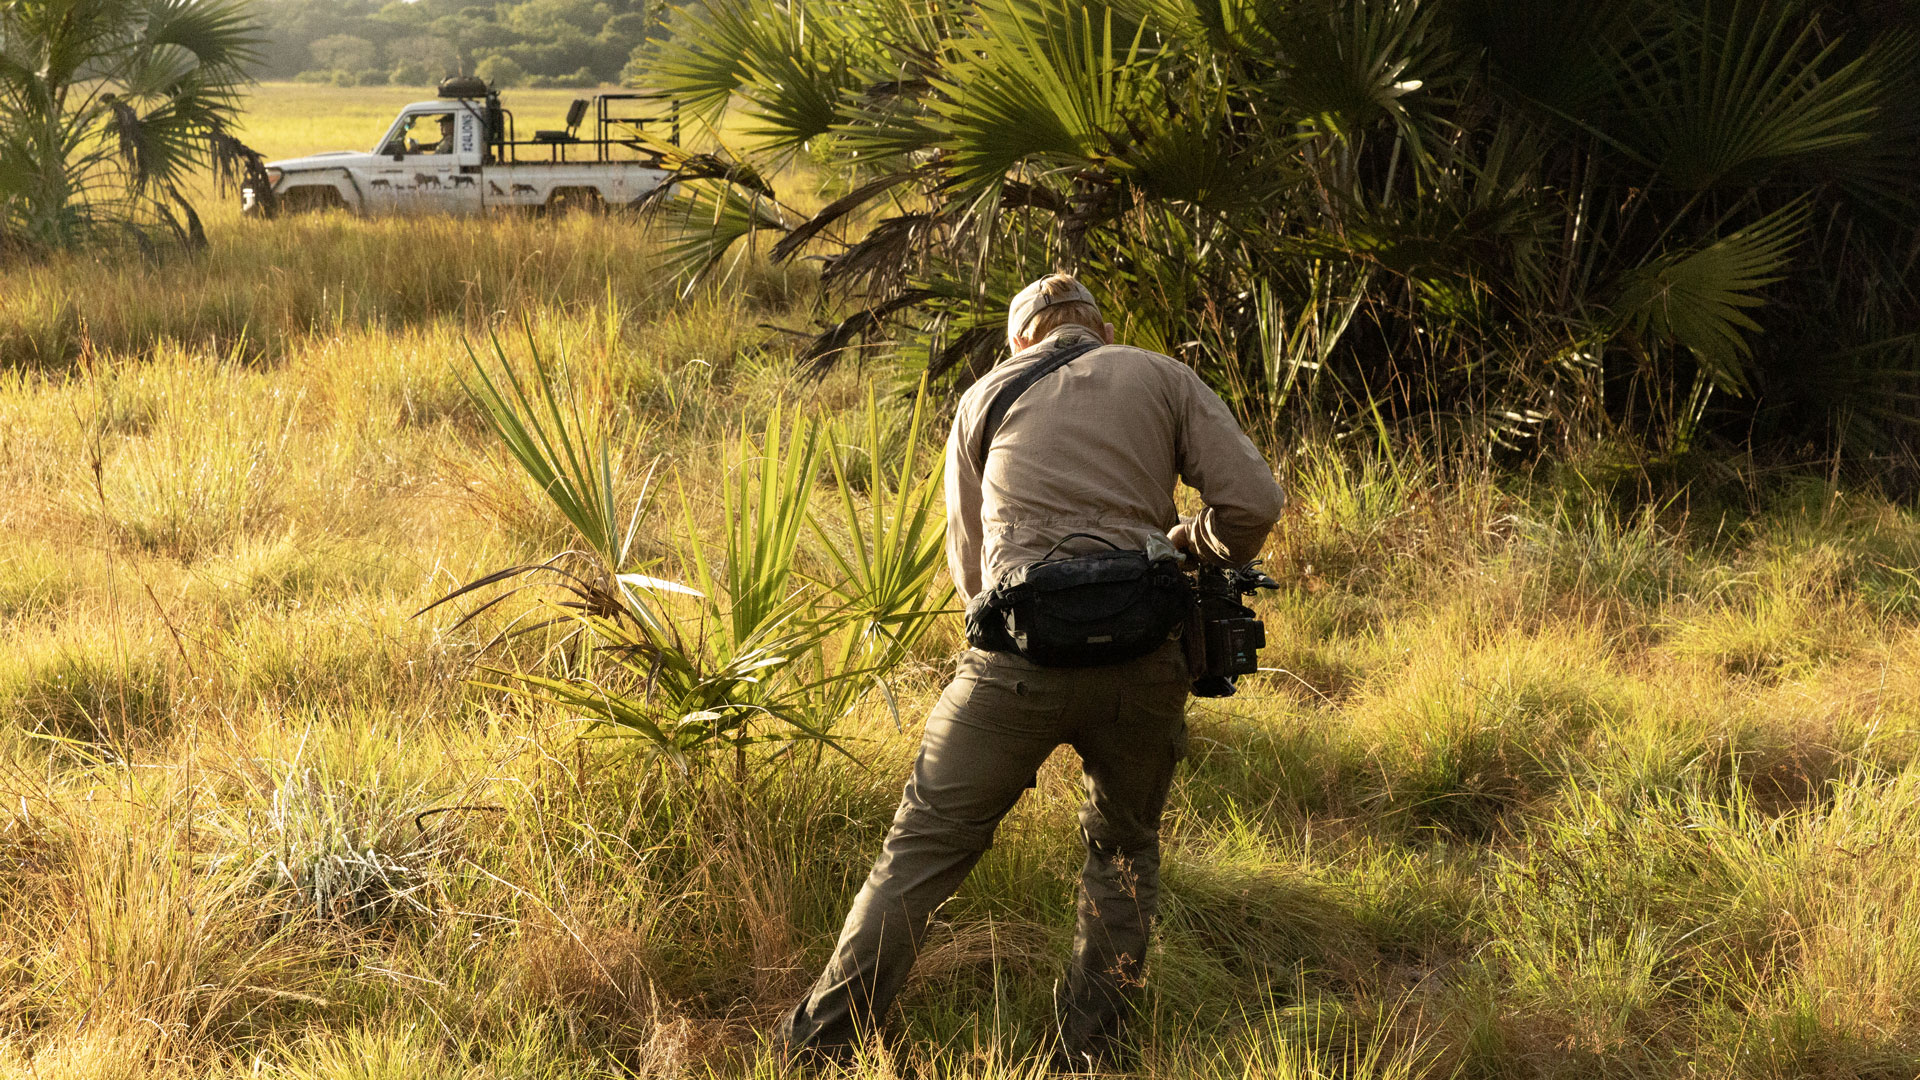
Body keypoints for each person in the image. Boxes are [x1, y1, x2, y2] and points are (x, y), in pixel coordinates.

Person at [774, 273, 1286, 1071]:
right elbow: (1254, 502)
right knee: (1124, 849)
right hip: (1145, 659)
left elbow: (972, 573)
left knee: (921, 851)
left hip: (1016, 662)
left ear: (1020, 341)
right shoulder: (1161, 375)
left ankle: (821, 1046)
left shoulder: (983, 397)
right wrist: (1187, 545)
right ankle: (1091, 1053)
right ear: (1100, 331)